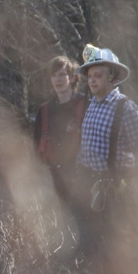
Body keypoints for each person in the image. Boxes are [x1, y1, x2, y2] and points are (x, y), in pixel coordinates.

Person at [69, 45, 138, 274]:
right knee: (89, 238)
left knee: (116, 239)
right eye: (90, 76)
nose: (92, 80)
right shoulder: (91, 105)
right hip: (89, 183)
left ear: (111, 77)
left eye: (98, 75)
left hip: (116, 188)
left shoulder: (125, 107)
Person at [33, 55, 88, 203]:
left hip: (84, 181)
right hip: (54, 186)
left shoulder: (86, 104)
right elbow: (37, 153)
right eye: (54, 75)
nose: (58, 79)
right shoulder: (44, 112)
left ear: (72, 78)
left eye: (62, 74)